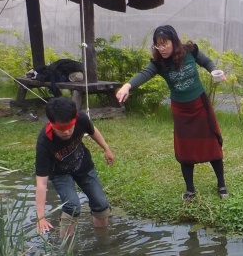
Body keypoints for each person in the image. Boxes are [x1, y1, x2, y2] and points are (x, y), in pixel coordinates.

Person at [116, 25, 229, 200]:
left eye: (164, 44)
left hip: (200, 105)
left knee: (211, 144)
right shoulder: (158, 63)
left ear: (174, 41)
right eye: (157, 45)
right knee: (185, 149)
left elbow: (206, 62)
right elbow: (144, 74)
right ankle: (190, 189)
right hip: (181, 109)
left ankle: (221, 185)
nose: (161, 49)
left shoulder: (190, 51)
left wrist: (214, 70)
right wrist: (127, 86)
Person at [35, 95, 115, 239]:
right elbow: (41, 182)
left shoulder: (81, 119)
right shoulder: (44, 142)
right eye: (61, 129)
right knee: (72, 207)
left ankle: (103, 239)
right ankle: (65, 247)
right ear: (51, 124)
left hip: (83, 166)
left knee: (101, 205)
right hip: (60, 174)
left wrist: (106, 148)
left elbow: (92, 130)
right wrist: (41, 217)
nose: (66, 132)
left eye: (69, 127)